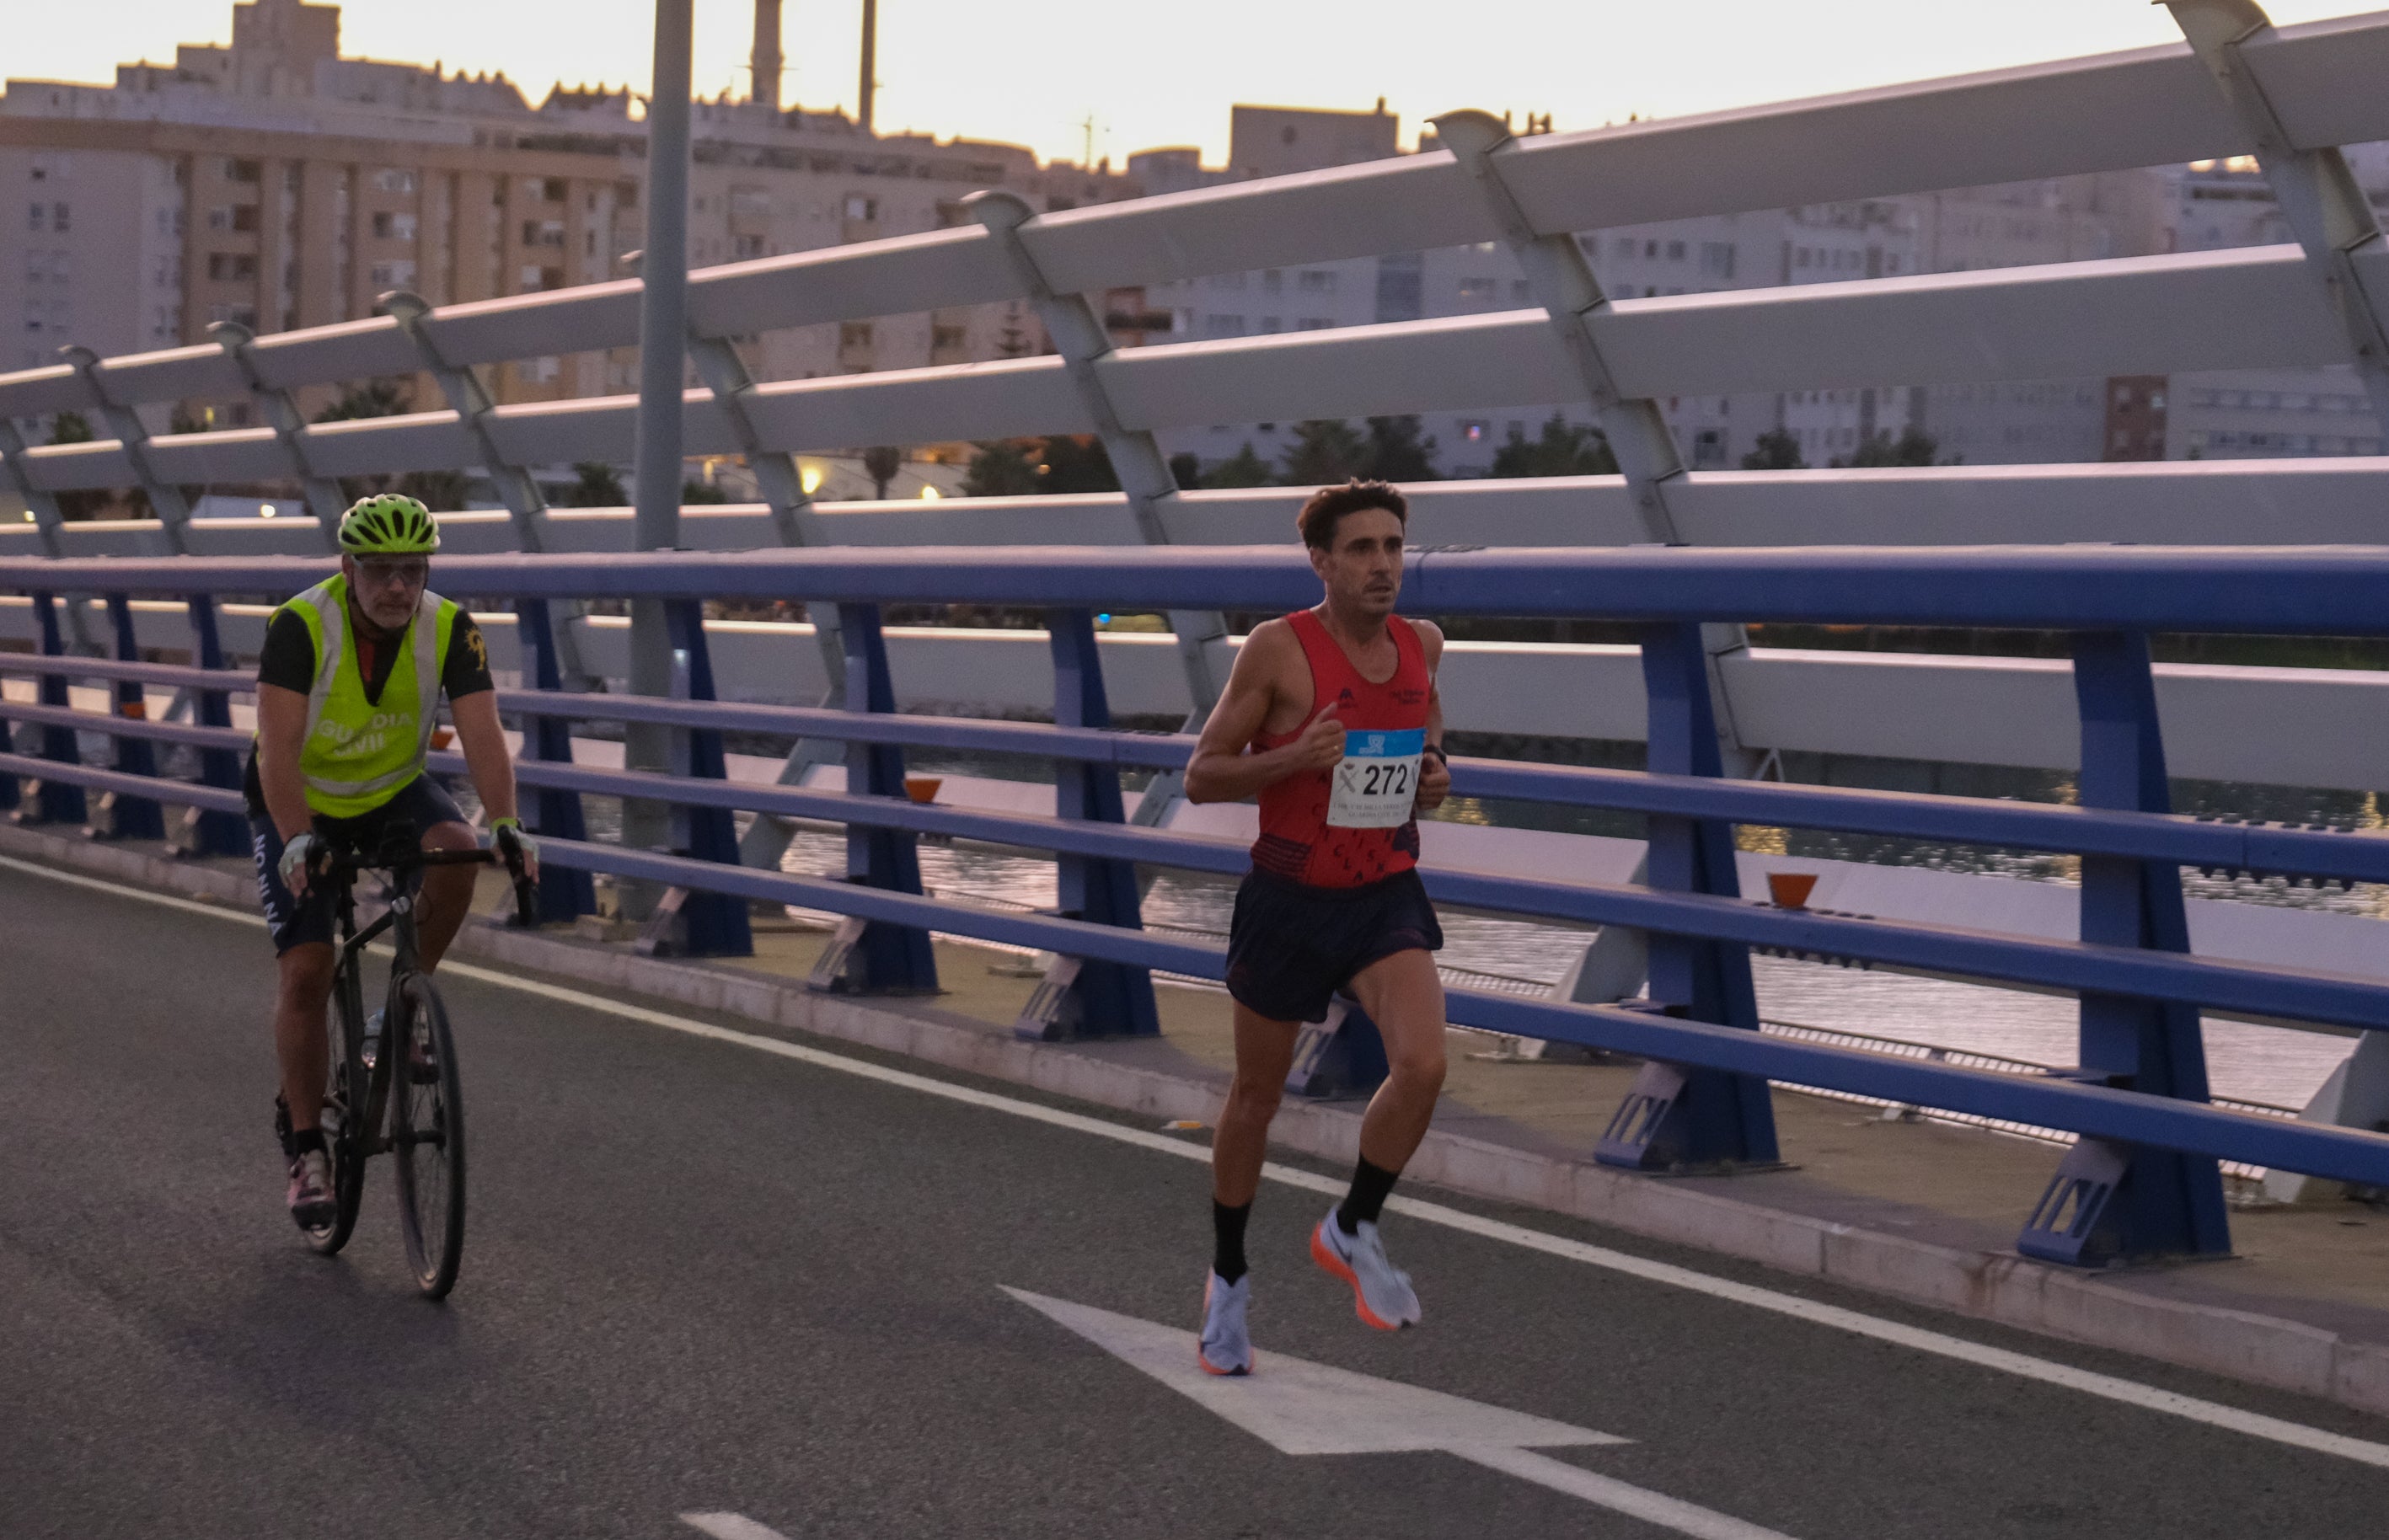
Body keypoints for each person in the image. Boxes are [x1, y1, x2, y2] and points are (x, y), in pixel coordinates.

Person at [1183, 479, 1452, 1376]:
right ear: (1323, 562)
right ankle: (1227, 1280)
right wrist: (1293, 757)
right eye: (1363, 549)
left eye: (1394, 546)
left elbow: (1426, 730)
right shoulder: (1277, 650)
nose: (1382, 565)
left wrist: (1435, 774)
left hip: (1381, 889)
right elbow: (1203, 774)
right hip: (1290, 896)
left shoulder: (1423, 644)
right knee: (1257, 1097)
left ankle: (1353, 1225)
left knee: (1423, 1065)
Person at [248, 494, 537, 1228]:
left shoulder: (451, 628)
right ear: (349, 568)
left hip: (390, 791)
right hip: (300, 801)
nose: (398, 588)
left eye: (412, 571)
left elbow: (482, 732)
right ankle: (307, 1147)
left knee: (458, 851)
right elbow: (277, 750)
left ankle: (404, 1007)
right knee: (308, 967)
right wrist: (297, 837)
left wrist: (505, 822)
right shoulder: (299, 625)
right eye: (380, 572)